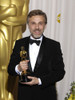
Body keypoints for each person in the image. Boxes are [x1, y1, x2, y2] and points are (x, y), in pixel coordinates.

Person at [8, 9, 65, 100]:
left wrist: (39, 81)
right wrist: (18, 68)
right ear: (28, 25)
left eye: (40, 23)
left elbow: (60, 72)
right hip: (24, 96)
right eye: (33, 23)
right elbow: (10, 69)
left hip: (47, 96)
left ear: (45, 25)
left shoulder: (54, 46)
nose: (37, 27)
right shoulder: (19, 43)